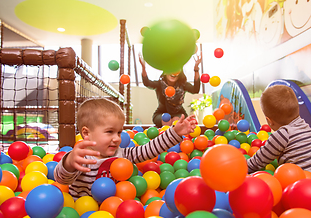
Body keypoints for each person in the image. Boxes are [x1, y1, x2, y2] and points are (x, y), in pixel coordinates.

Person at [54, 97, 196, 200]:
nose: (116, 138)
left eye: (119, 132)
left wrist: (174, 132)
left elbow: (149, 149)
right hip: (83, 213)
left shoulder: (122, 153)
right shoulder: (82, 157)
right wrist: (69, 162)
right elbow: (61, 178)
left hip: (115, 209)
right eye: (109, 132)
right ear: (86, 133)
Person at [247, 85, 311, 174]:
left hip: (309, 184)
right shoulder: (306, 127)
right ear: (298, 109)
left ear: (269, 121)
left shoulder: (283, 134)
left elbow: (256, 163)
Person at [139, 52, 202, 128]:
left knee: (176, 120)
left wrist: (196, 69)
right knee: (167, 120)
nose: (173, 73)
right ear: (165, 72)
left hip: (179, 113)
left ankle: (175, 138)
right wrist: (143, 68)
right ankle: (166, 138)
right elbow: (147, 83)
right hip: (161, 113)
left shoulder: (182, 84)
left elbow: (195, 89)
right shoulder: (160, 84)